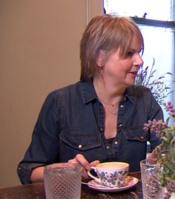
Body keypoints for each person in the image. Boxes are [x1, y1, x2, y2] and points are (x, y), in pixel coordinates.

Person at [17, 15, 163, 184]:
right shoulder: (60, 103)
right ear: (100, 58)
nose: (139, 61)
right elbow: (28, 171)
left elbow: (168, 154)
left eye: (139, 53)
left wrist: (160, 161)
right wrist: (65, 172)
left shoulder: (145, 100)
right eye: (129, 53)